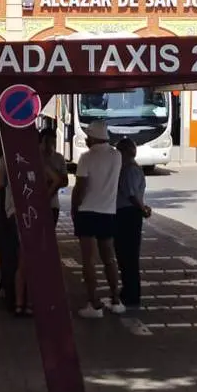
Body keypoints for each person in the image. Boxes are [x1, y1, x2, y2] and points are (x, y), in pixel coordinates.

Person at [70, 121, 125, 318]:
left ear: (92, 137)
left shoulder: (86, 158)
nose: (86, 140)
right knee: (109, 258)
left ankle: (94, 303)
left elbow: (80, 187)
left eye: (87, 137)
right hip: (108, 212)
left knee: (88, 260)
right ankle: (115, 299)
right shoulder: (116, 156)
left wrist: (74, 208)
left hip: (87, 211)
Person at [0, 154, 32, 318]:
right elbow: (57, 179)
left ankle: (20, 304)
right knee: (29, 260)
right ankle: (27, 303)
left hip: (15, 212)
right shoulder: (35, 156)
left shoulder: (7, 157)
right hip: (34, 212)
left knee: (21, 260)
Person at [114, 138, 152, 308]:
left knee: (128, 255)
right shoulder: (129, 168)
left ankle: (131, 293)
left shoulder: (129, 170)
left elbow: (131, 194)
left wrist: (142, 208)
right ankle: (128, 290)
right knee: (125, 255)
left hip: (128, 214)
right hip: (127, 213)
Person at [39, 127, 68, 225]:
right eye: (47, 142)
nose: (51, 145)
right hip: (37, 204)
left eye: (53, 142)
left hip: (53, 205)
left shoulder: (59, 158)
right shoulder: (35, 157)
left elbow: (65, 181)